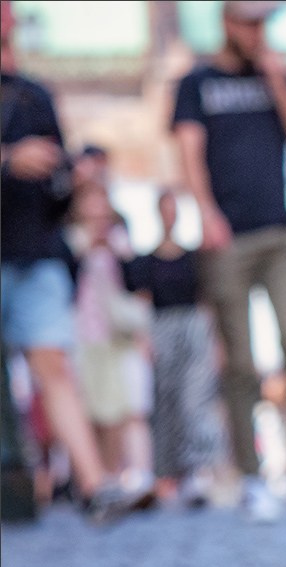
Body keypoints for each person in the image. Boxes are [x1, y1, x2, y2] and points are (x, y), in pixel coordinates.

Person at [171, 0, 286, 522]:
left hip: (281, 233)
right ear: (226, 21)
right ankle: (253, 477)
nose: (256, 32)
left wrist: (277, 82)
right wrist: (205, 213)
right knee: (238, 362)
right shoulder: (196, 82)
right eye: (247, 21)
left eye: (263, 22)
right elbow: (189, 154)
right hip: (226, 236)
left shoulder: (279, 76)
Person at [0, 0, 143, 521]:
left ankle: (93, 485)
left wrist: (72, 180)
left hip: (34, 251)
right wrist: (8, 159)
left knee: (54, 367)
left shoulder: (34, 93)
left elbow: (57, 193)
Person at [127, 190, 227, 508]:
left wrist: (216, 341)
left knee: (194, 399)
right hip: (162, 327)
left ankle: (197, 469)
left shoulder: (194, 258)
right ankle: (171, 474)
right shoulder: (145, 260)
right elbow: (142, 302)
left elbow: (206, 301)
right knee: (166, 399)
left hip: (194, 327)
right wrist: (144, 338)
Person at [70, 183, 157, 509]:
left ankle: (130, 476)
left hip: (117, 337)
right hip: (81, 336)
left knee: (124, 407)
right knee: (93, 410)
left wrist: (117, 253)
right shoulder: (70, 239)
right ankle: (99, 478)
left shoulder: (120, 239)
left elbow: (137, 287)